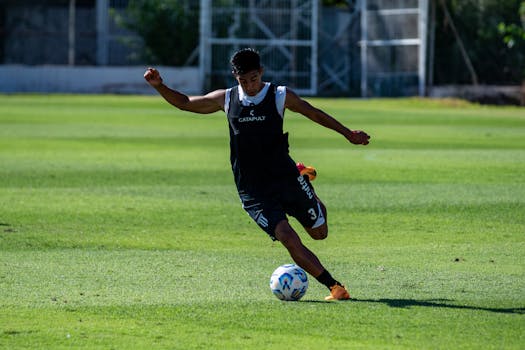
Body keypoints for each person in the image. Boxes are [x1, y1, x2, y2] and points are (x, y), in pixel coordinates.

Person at [144, 48, 370, 301]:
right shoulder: (227, 99)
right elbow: (186, 103)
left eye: (253, 78)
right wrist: (160, 86)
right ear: (235, 77)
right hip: (253, 189)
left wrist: (348, 133)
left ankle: (304, 180)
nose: (250, 86)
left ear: (261, 72)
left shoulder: (279, 95)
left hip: (285, 177)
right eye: (243, 81)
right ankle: (335, 287)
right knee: (286, 236)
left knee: (320, 233)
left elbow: (312, 112)